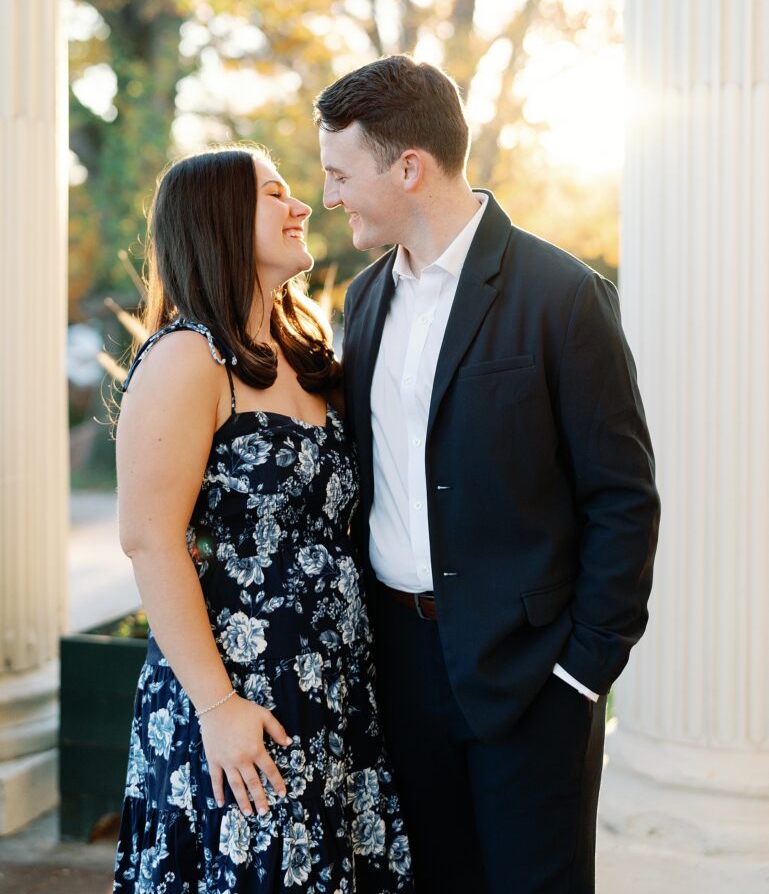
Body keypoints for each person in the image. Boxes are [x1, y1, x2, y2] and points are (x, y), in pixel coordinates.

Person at [315, 55, 661, 894]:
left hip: (533, 675)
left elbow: (621, 497)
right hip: (401, 666)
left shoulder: (562, 295)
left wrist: (582, 671)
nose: (328, 197)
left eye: (340, 174)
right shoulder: (365, 300)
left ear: (408, 167)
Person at [112, 144, 414, 894]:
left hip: (335, 695)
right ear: (217, 220)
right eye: (275, 193)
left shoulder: (304, 353)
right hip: (239, 701)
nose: (302, 205)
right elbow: (150, 540)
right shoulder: (187, 358)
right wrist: (218, 708)